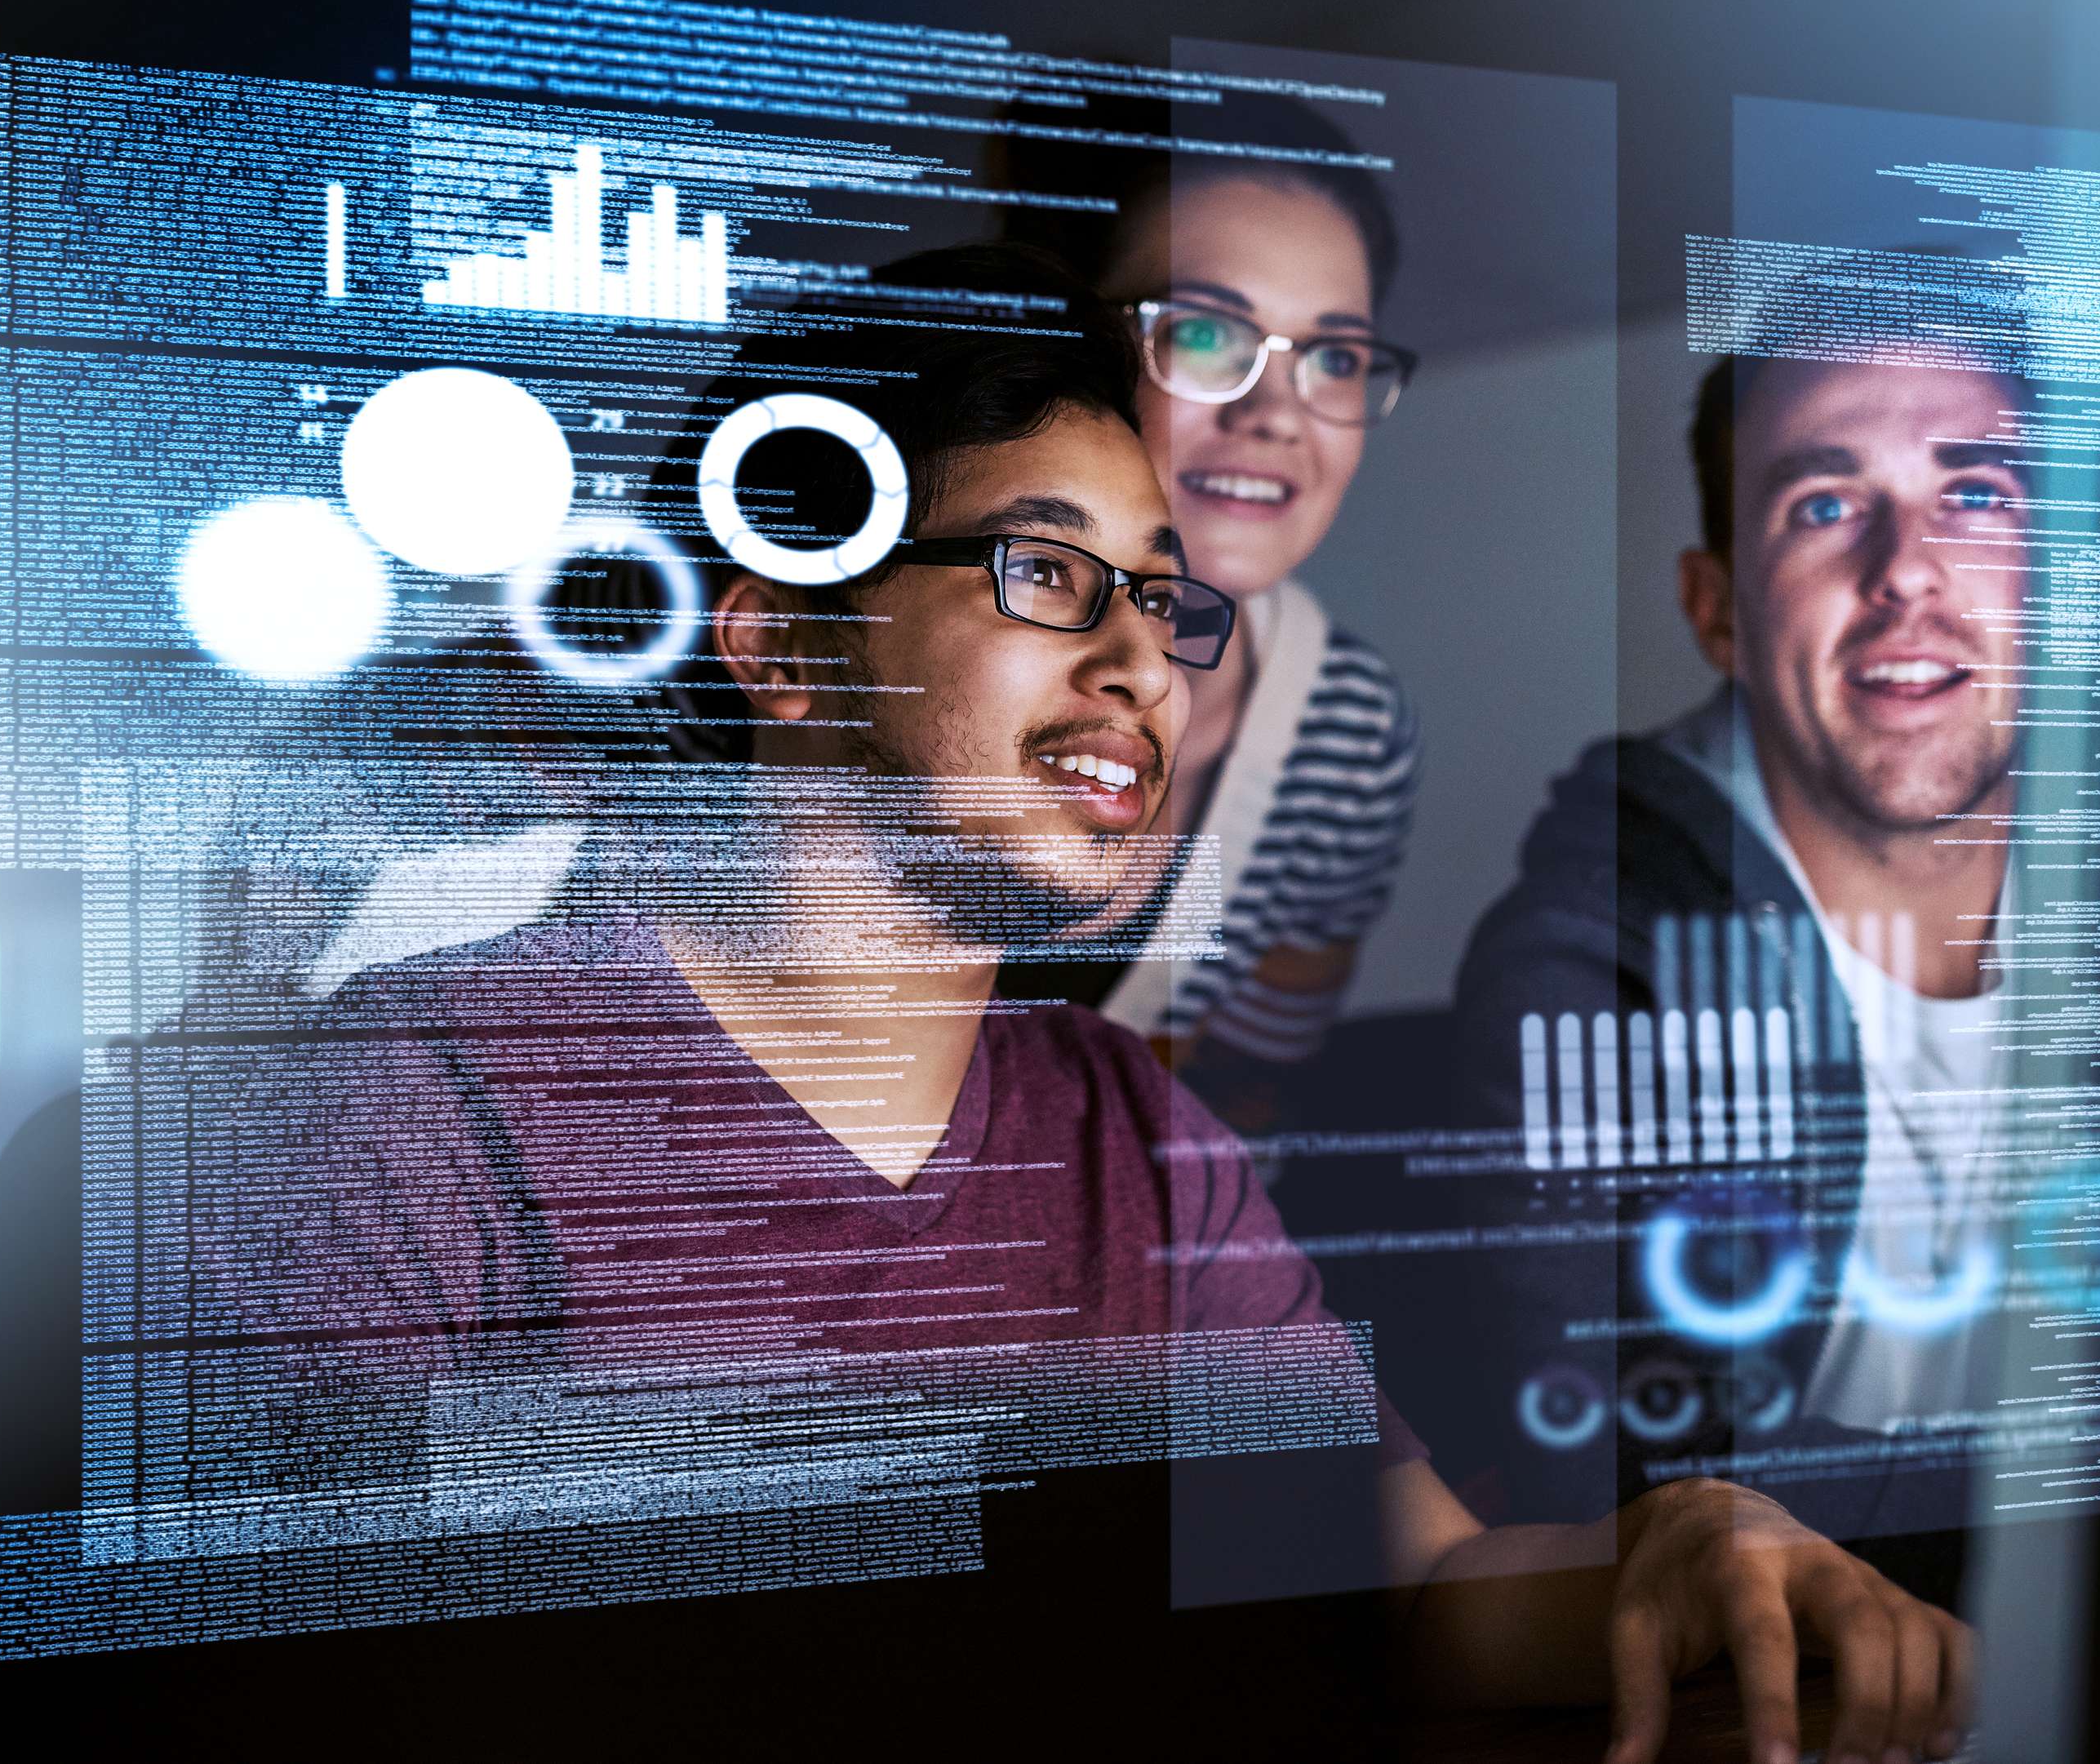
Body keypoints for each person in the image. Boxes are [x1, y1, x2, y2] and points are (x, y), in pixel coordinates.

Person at [185, 247, 1973, 1764]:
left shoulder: (1132, 1123)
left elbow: (1404, 1579)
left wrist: (1665, 1554)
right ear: (786, 642)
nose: (1141, 666)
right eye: (1045, 573)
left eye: (1163, 602)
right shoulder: (408, 1107)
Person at [1445, 304, 2033, 1567]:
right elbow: (1626, 1482)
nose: (1909, 568)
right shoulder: (1584, 969)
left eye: (1977, 494)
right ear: (1717, 611)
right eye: (1823, 504)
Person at [997, 102, 1420, 1120]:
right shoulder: (885, 637)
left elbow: (1244, 1100)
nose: (1275, 414)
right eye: (1201, 333)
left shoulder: (1346, 730)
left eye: (1336, 358)